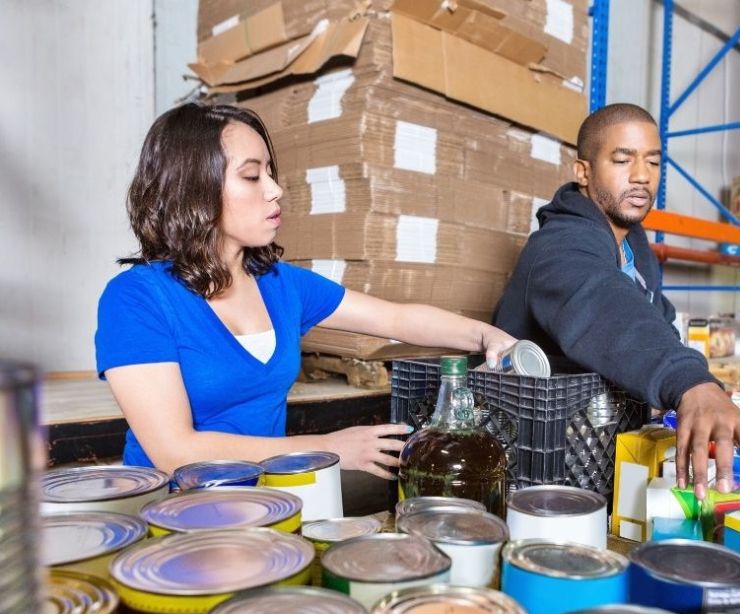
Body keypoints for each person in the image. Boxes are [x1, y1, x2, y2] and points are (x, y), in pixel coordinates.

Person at [96, 103, 516, 479]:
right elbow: (174, 451)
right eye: (251, 175)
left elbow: (395, 319)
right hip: (172, 514)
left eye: (271, 173)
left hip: (266, 500)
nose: (275, 189)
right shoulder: (137, 299)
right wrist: (329, 447)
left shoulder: (279, 284)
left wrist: (485, 336)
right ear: (194, 190)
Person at [494, 103, 740, 498]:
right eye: (623, 160)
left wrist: (706, 386)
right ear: (583, 172)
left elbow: (653, 317)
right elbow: (603, 306)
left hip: (597, 444)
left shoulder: (633, 247)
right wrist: (690, 383)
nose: (642, 176)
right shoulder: (559, 248)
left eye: (653, 163)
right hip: (539, 458)